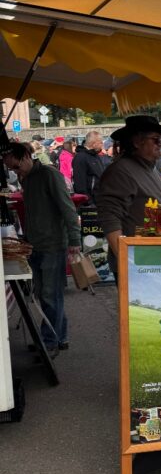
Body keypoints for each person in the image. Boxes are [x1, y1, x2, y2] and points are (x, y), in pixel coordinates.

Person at [1, 142, 83, 356]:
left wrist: (75, 240)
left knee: (50, 295)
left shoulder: (49, 174)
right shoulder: (27, 178)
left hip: (53, 244)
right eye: (11, 169)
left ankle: (49, 342)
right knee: (46, 294)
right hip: (36, 244)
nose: (15, 172)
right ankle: (59, 336)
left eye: (17, 167)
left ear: (27, 156)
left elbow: (68, 209)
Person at [96, 115, 161, 277]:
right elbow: (110, 219)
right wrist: (127, 261)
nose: (160, 143)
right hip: (139, 264)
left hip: (157, 259)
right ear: (137, 142)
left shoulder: (152, 169)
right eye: (155, 139)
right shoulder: (120, 171)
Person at [73, 130, 110, 203]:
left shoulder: (95, 156)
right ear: (94, 143)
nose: (102, 145)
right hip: (90, 202)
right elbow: (80, 183)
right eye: (100, 142)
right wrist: (88, 202)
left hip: (99, 199)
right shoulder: (81, 157)